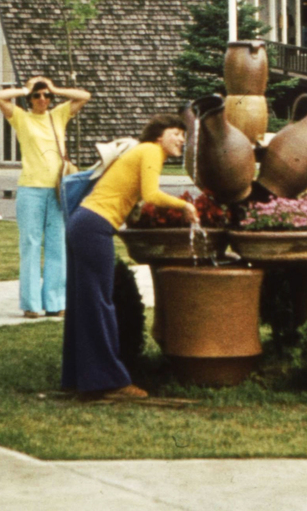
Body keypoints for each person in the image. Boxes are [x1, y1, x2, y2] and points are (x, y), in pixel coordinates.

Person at [62, 113, 194, 401]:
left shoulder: (140, 151)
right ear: (160, 135)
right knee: (100, 304)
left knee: (84, 304)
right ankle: (111, 382)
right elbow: (152, 194)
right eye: (177, 133)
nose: (182, 139)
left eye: (184, 135)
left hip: (82, 222)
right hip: (94, 226)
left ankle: (78, 378)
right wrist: (184, 206)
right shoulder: (151, 150)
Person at [0, 77, 91, 319]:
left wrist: (54, 87)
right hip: (31, 189)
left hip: (59, 190)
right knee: (30, 245)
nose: (42, 99)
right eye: (37, 96)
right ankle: (31, 304)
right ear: (29, 99)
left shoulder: (57, 115)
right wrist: (27, 87)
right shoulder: (21, 117)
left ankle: (55, 302)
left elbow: (84, 96)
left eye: (46, 95)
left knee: (57, 246)